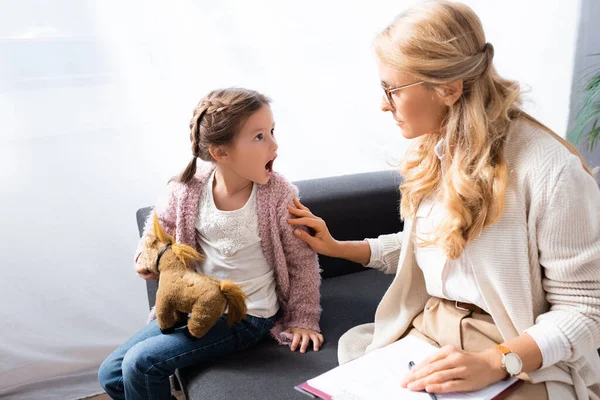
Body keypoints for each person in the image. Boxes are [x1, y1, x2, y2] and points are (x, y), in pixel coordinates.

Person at [288, 2, 600, 398]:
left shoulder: (550, 172)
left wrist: (495, 361)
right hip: (429, 331)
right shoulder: (435, 148)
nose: (384, 104)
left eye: (392, 89)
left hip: (519, 352)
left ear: (449, 89)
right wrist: (339, 248)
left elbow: (586, 309)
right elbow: (442, 246)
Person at [99, 87, 324, 399]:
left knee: (141, 363)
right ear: (221, 152)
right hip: (196, 304)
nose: (274, 144)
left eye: (272, 131)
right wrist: (146, 256)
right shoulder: (189, 189)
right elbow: (156, 231)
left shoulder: (278, 195)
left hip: (247, 315)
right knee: (110, 374)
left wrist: (303, 319)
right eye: (259, 136)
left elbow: (302, 263)